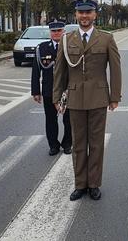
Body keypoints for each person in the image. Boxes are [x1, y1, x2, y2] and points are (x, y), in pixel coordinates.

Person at [53, 0, 122, 202]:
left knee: (97, 144)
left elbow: (116, 69)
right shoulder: (66, 40)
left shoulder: (106, 38)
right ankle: (80, 184)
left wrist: (114, 96)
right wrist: (57, 96)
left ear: (94, 14)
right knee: (78, 144)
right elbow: (59, 71)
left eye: (88, 12)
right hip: (74, 98)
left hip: (99, 98)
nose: (84, 16)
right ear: (76, 14)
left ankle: (94, 184)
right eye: (81, 12)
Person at [31, 18, 72, 156]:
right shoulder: (41, 48)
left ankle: (67, 143)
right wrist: (36, 91)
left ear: (64, 31)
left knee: (69, 120)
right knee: (50, 120)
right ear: (50, 32)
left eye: (59, 30)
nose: (56, 33)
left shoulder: (71, 46)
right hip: (48, 90)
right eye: (53, 31)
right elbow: (36, 71)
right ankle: (53, 145)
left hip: (67, 90)